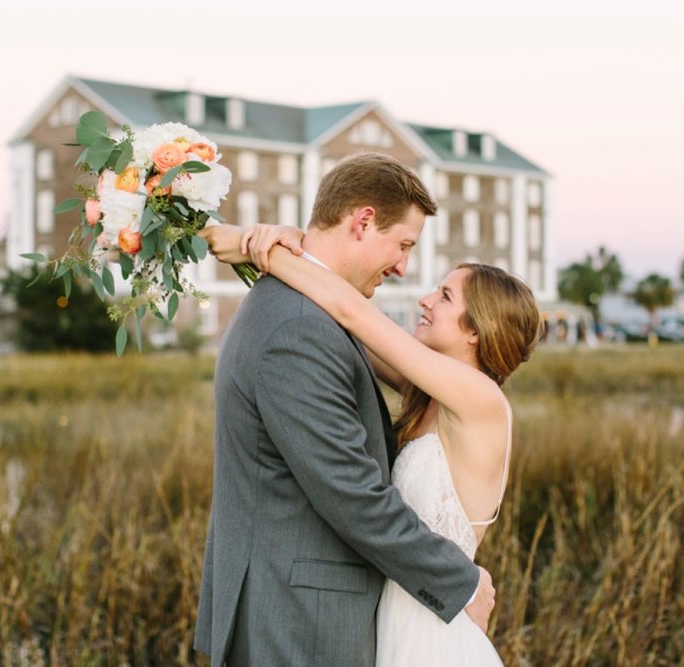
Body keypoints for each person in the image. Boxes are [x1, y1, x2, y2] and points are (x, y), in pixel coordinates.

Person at [193, 153, 496, 667]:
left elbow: (354, 314)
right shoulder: (301, 327)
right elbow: (350, 490)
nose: (404, 269)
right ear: (363, 221)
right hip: (296, 620)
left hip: (312, 613)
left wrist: (259, 246)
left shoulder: (305, 310)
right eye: (402, 245)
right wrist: (461, 582)